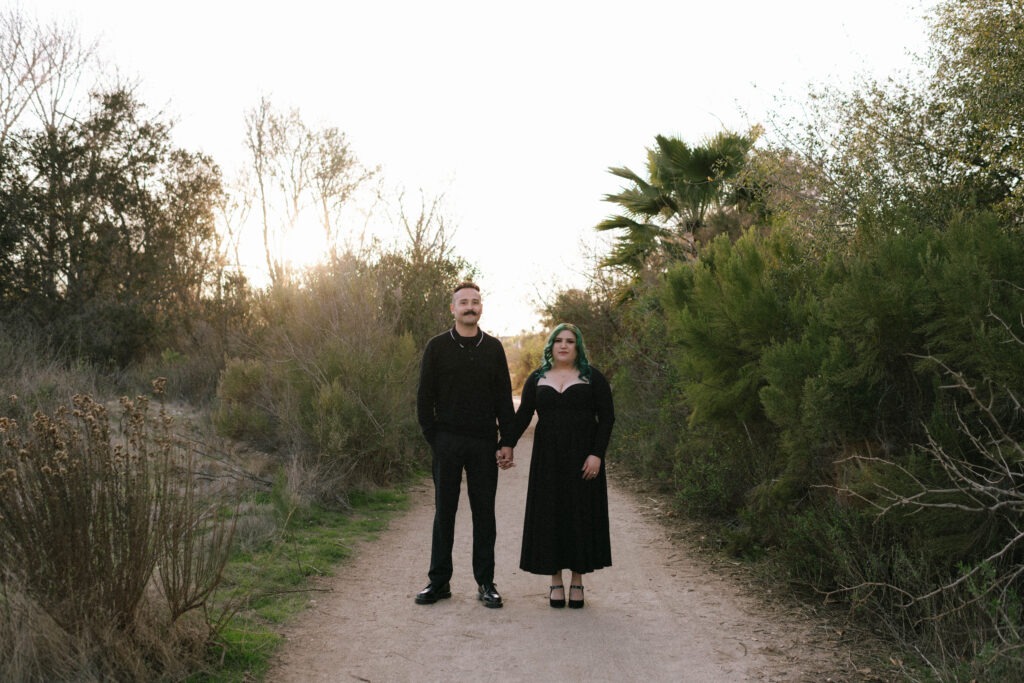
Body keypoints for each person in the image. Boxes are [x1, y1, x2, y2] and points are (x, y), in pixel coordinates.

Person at [414, 281, 516, 608]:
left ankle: (486, 583)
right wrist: (436, 438)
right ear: (453, 308)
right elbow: (423, 398)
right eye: (463, 302)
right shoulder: (437, 347)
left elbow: (504, 399)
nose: (469, 307)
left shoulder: (494, 348)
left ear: (481, 307)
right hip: (447, 441)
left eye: (475, 302)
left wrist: (507, 441)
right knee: (444, 511)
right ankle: (438, 582)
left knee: (484, 514)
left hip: (484, 443)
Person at [511, 322, 615, 609]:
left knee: (579, 515)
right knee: (550, 516)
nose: (564, 345)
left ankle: (578, 581)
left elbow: (606, 418)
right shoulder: (537, 378)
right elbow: (522, 418)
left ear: (578, 346)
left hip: (583, 459)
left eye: (570, 341)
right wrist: (505, 444)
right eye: (559, 340)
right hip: (547, 460)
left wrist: (597, 454)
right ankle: (555, 580)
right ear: (551, 346)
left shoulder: (593, 378)